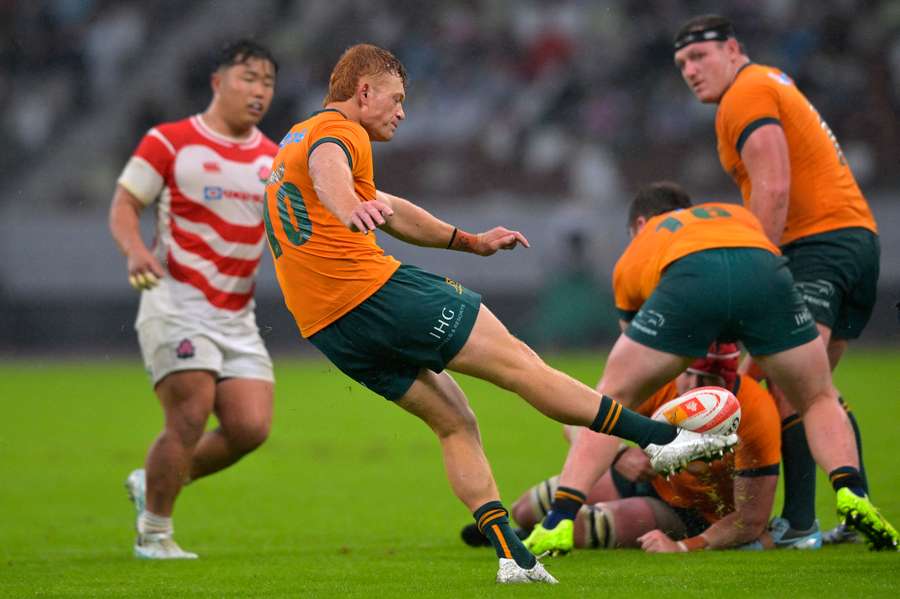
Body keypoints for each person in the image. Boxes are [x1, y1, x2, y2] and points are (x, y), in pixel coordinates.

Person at [263, 44, 737, 584]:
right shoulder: (339, 134)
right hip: (377, 294)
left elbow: (389, 209)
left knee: (454, 422)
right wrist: (350, 209)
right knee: (522, 366)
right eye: (396, 99)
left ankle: (513, 555)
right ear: (363, 92)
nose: (402, 112)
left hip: (331, 329)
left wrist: (469, 241)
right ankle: (664, 439)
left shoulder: (293, 140)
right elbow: (333, 178)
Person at [522, 182, 898, 555]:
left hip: (691, 277)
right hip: (763, 268)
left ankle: (559, 519)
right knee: (817, 396)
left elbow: (603, 398)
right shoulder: (732, 215)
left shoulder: (640, 250)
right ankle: (851, 487)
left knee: (610, 396)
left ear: (639, 225)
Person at [672, 14, 881, 546]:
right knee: (817, 390)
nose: (690, 71)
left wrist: (756, 272)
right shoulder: (769, 82)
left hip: (817, 247)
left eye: (700, 57)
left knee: (794, 390)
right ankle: (855, 514)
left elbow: (774, 187)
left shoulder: (746, 92)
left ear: (734, 49)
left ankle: (798, 524)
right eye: (681, 64)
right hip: (856, 243)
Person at [109, 39, 279, 559]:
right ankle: (154, 534)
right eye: (248, 78)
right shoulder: (170, 141)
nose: (258, 91)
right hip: (175, 302)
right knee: (189, 414)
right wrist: (135, 249)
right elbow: (124, 203)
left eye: (268, 83)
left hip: (237, 315)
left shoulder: (274, 160)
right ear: (217, 81)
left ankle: (152, 480)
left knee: (250, 428)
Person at [503, 343, 782, 552]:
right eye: (689, 374)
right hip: (643, 477)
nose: (694, 387)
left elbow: (751, 520)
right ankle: (522, 529)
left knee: (589, 526)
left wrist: (685, 546)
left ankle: (520, 539)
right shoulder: (662, 383)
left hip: (690, 510)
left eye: (708, 380)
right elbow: (577, 421)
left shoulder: (756, 412)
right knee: (526, 509)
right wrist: (620, 454)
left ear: (730, 380)